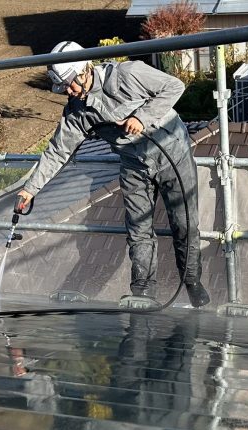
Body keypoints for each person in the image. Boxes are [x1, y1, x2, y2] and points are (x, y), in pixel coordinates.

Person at [17, 41, 210, 308]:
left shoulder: (128, 74)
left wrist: (142, 117)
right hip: (134, 164)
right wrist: (30, 189)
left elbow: (174, 86)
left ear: (85, 69)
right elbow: (58, 151)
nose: (69, 91)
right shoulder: (77, 111)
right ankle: (143, 291)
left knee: (185, 224)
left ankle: (192, 282)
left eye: (71, 83)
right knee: (138, 230)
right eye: (63, 87)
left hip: (172, 152)